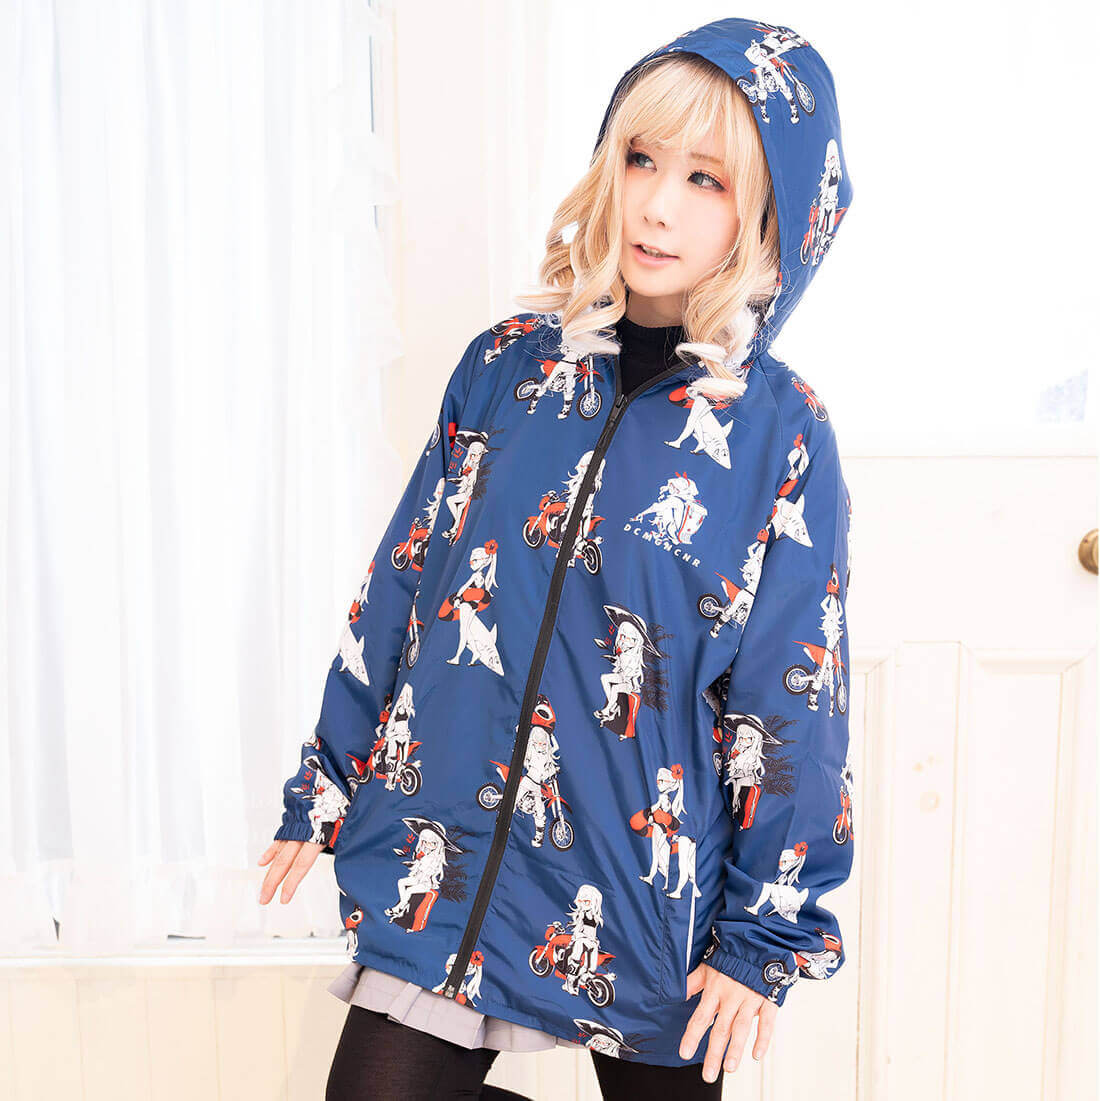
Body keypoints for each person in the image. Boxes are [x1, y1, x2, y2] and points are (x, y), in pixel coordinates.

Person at [258, 16, 856, 1100]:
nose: (656, 205)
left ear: (767, 213)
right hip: (450, 863)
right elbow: (402, 584)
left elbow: (790, 708)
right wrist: (332, 769)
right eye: (640, 159)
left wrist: (762, 933)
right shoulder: (505, 371)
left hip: (645, 896)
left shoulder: (780, 436)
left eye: (706, 179)